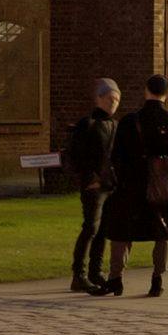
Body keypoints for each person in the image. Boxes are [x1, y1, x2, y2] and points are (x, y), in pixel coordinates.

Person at [97, 73, 168, 298]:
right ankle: (157, 278)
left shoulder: (130, 121)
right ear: (167, 93)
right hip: (162, 185)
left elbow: (116, 154)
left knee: (122, 233)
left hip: (131, 184)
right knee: (163, 233)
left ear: (146, 90)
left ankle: (115, 278)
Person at [65, 78, 119, 293]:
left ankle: (96, 271)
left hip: (109, 184)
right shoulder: (87, 125)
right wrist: (89, 180)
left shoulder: (115, 125)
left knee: (103, 229)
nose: (113, 103)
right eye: (109, 98)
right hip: (95, 186)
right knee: (91, 227)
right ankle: (79, 274)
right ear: (99, 98)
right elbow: (75, 156)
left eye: (116, 99)